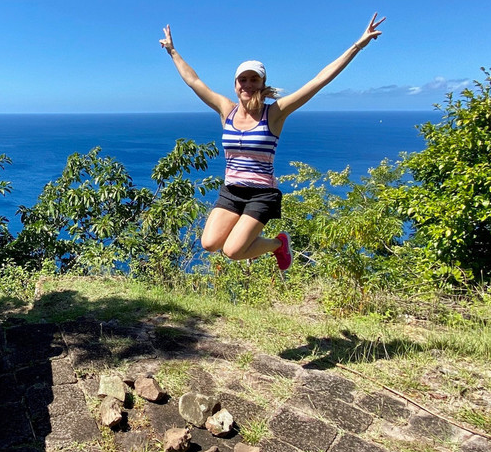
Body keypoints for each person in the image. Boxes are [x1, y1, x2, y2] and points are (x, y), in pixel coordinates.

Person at [160, 14, 385, 270]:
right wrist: (172, 51)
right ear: (235, 85)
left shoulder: (275, 113)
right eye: (242, 80)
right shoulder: (226, 110)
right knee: (209, 244)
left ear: (262, 83)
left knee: (233, 251)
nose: (247, 84)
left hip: (262, 194)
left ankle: (279, 244)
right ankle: (251, 241)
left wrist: (357, 46)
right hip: (231, 191)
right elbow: (194, 81)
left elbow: (318, 81)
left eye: (253, 79)